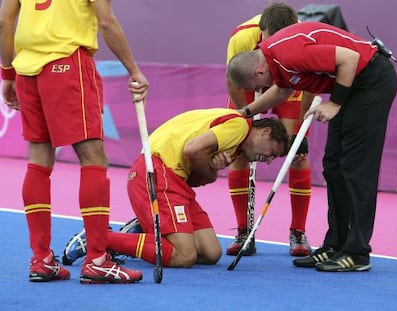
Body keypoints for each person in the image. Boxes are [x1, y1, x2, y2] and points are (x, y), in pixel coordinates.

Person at [227, 21, 397, 272]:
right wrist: (246, 113)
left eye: (255, 88)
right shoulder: (273, 59)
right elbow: (282, 92)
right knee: (333, 165)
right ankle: (335, 244)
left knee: (356, 168)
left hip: (371, 81)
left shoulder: (286, 52)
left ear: (259, 73)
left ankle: (357, 252)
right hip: (353, 87)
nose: (258, 91)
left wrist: (335, 104)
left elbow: (349, 59)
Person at [0, 0, 149, 283]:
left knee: (39, 161)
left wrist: (7, 73)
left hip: (27, 71)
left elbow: (4, 22)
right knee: (93, 158)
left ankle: (41, 259)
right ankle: (97, 260)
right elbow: (106, 21)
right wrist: (134, 70)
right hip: (68, 64)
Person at [62, 108, 290, 268]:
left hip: (175, 181)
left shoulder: (234, 142)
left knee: (210, 253)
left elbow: (194, 177)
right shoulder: (239, 126)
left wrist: (209, 171)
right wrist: (212, 172)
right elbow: (192, 150)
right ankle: (97, 237)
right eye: (272, 153)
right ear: (265, 132)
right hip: (156, 172)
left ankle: (142, 232)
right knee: (183, 255)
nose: (268, 160)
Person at [225, 2, 314, 257]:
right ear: (261, 31)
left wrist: (299, 130)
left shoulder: (302, 38)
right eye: (269, 40)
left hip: (289, 83)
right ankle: (243, 230)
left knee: (296, 153)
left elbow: (311, 82)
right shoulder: (242, 36)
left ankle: (298, 232)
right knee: (239, 151)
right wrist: (248, 122)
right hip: (249, 82)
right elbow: (232, 80)